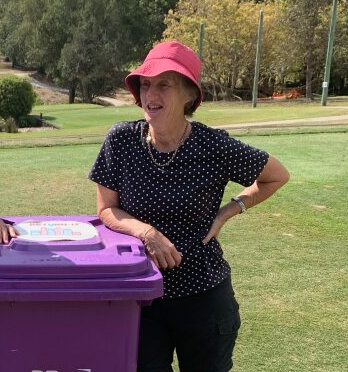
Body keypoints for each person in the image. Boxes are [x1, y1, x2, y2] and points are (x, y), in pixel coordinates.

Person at [89, 40, 289, 372]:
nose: (151, 94)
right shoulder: (121, 140)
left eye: (164, 85)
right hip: (141, 299)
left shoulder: (214, 146)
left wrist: (230, 209)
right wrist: (146, 232)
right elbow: (106, 209)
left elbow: (276, 176)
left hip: (204, 298)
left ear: (189, 95)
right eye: (146, 84)